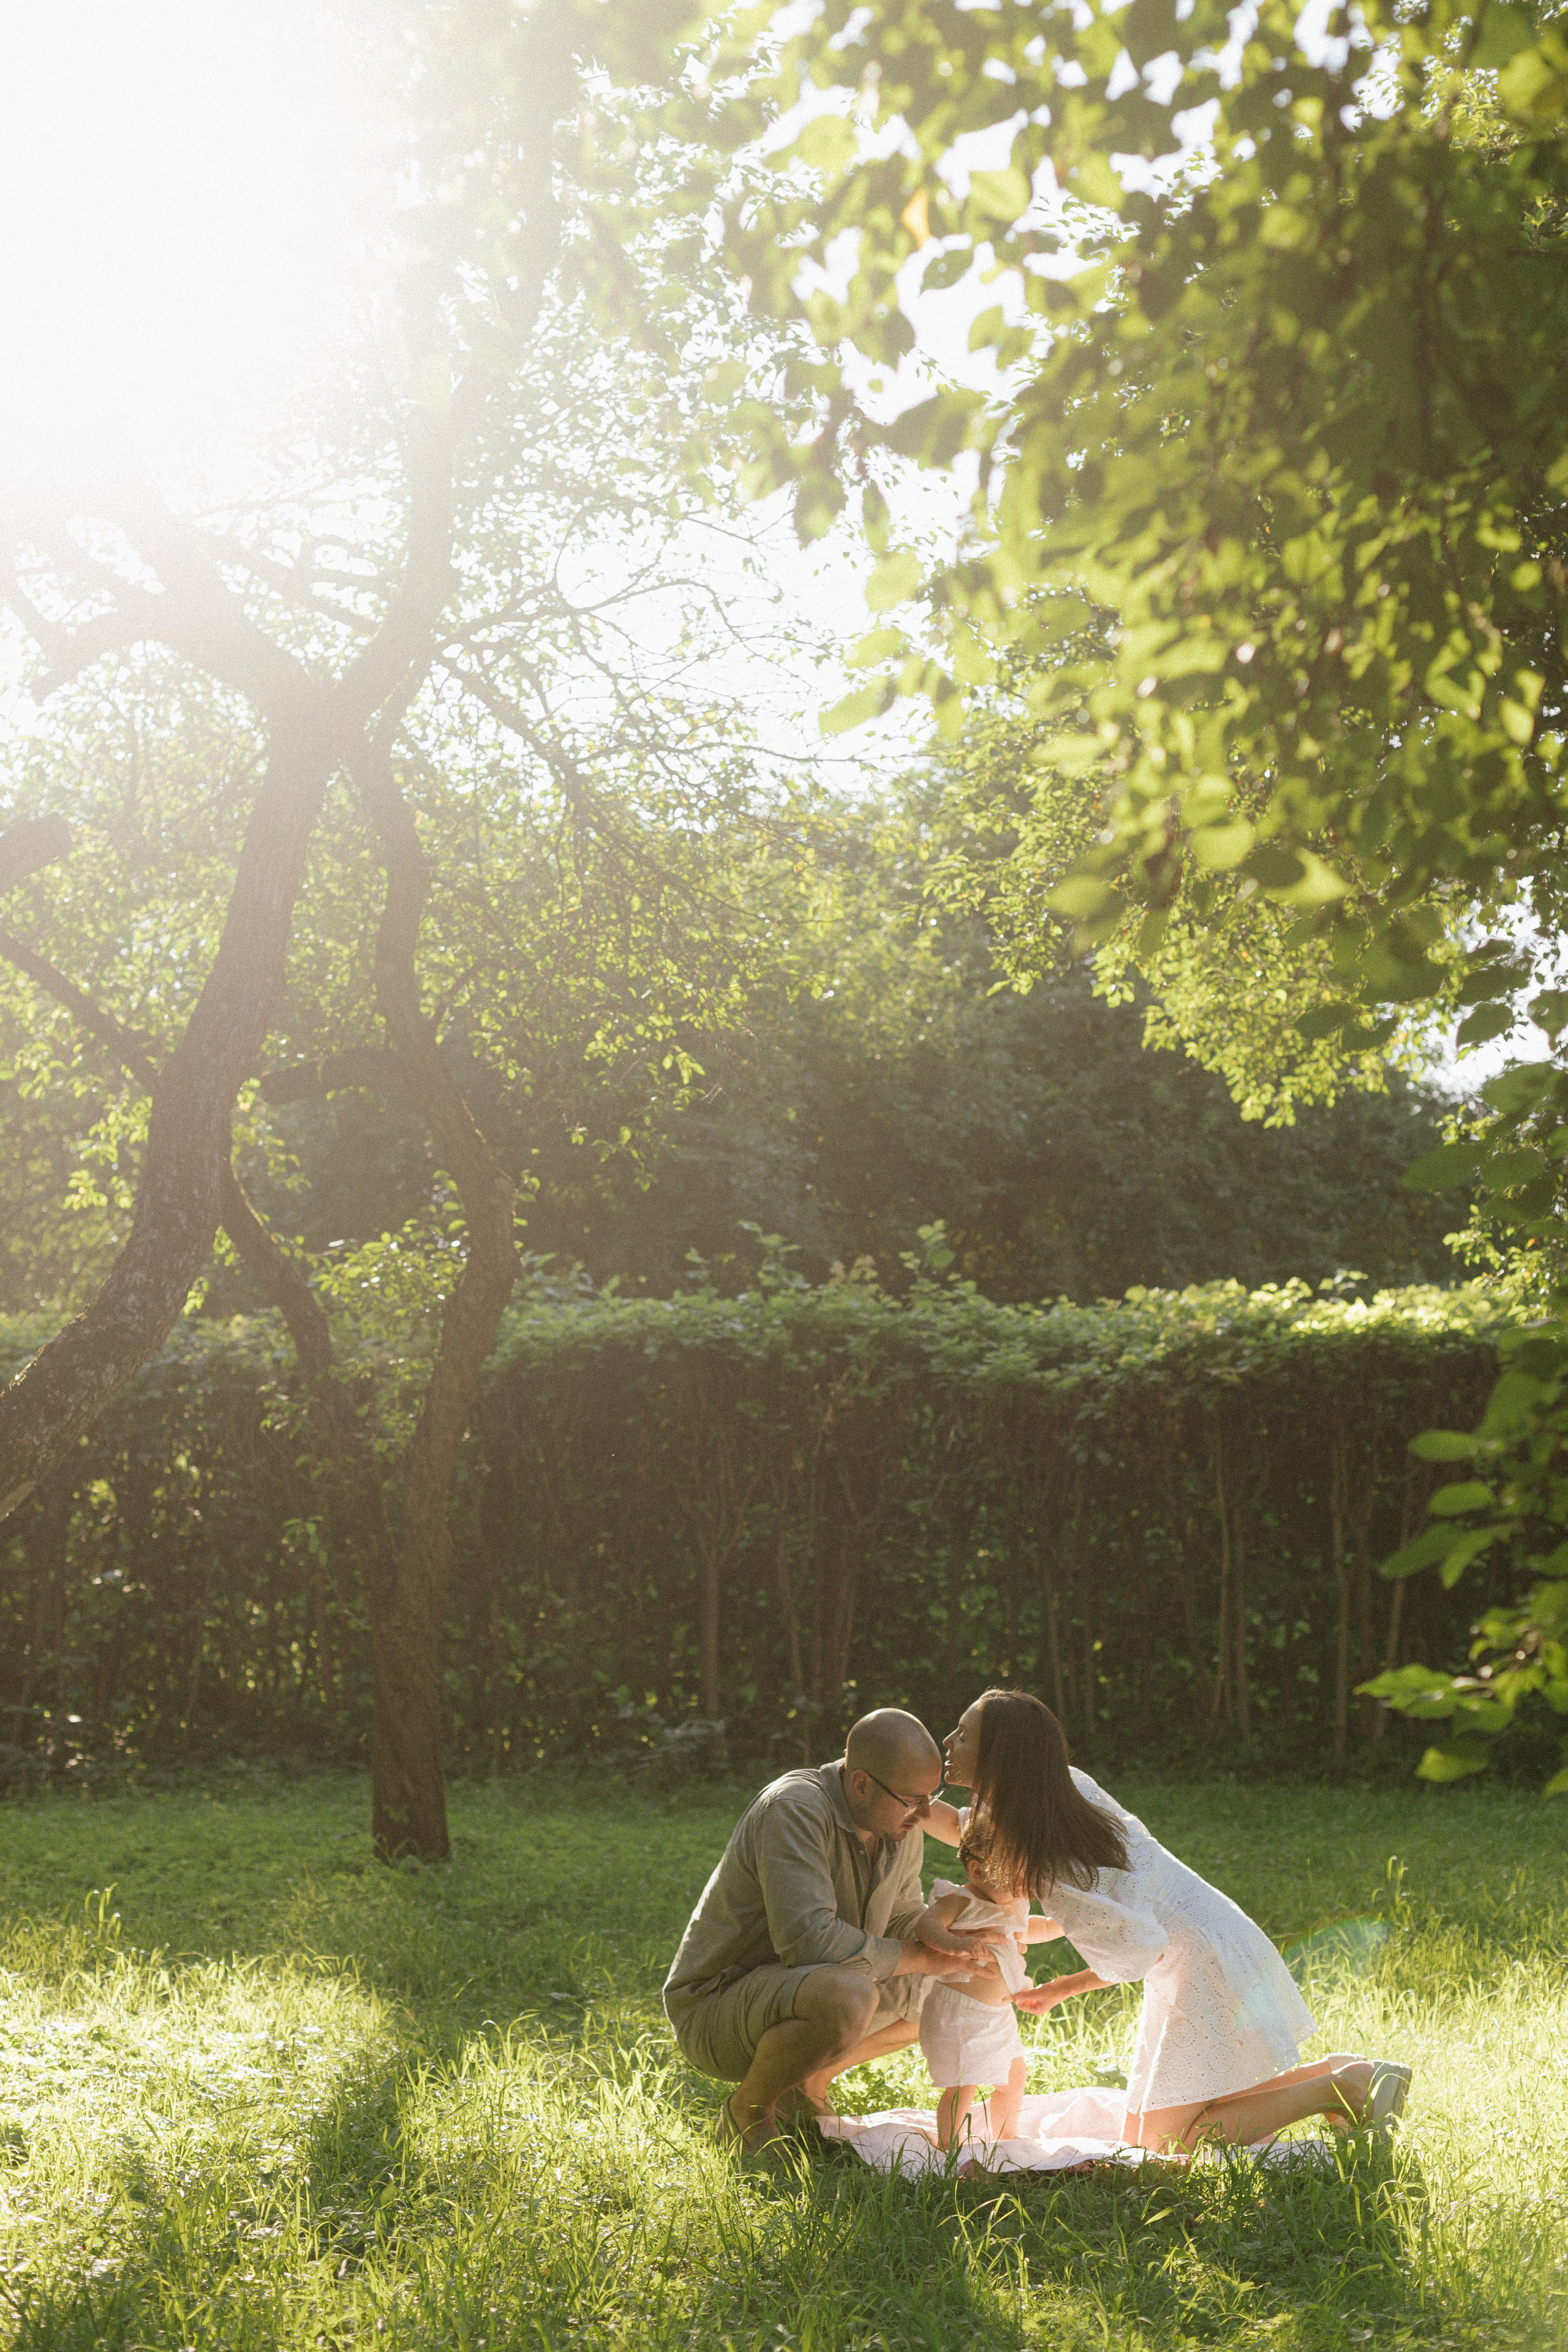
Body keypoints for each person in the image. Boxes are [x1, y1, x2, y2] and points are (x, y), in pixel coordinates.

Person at [930, 1688, 1414, 2152]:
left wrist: (1062, 1988)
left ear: (1001, 1759)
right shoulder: (1061, 1792)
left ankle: (1340, 2090)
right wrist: (890, 1790)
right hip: (1214, 1931)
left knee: (1163, 2143)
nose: (949, 1742)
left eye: (964, 1735)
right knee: (1150, 2129)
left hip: (1198, 1961)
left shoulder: (1051, 1862)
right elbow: (965, 1828)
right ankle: (1344, 2072)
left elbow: (1137, 1950)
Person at [663, 1707, 995, 2159]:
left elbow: (899, 1917)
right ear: (860, 1783)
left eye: (929, 1798)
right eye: (912, 1800)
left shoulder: (899, 1823)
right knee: (848, 1994)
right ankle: (747, 2115)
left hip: (800, 1991)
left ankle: (805, 2085)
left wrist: (954, 1939)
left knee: (961, 1983)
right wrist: (921, 1958)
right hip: (717, 2007)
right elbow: (809, 1942)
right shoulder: (794, 1808)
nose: (924, 1814)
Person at [921, 1831, 1030, 2148]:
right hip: (961, 2013)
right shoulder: (961, 1901)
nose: (1027, 1885)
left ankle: (1007, 2136)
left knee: (1014, 2077)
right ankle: (948, 2146)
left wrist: (1065, 1925)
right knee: (964, 2084)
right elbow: (927, 1925)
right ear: (978, 1871)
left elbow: (1030, 1928)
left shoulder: (1012, 1902)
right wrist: (956, 1944)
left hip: (998, 2015)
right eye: (1018, 1876)